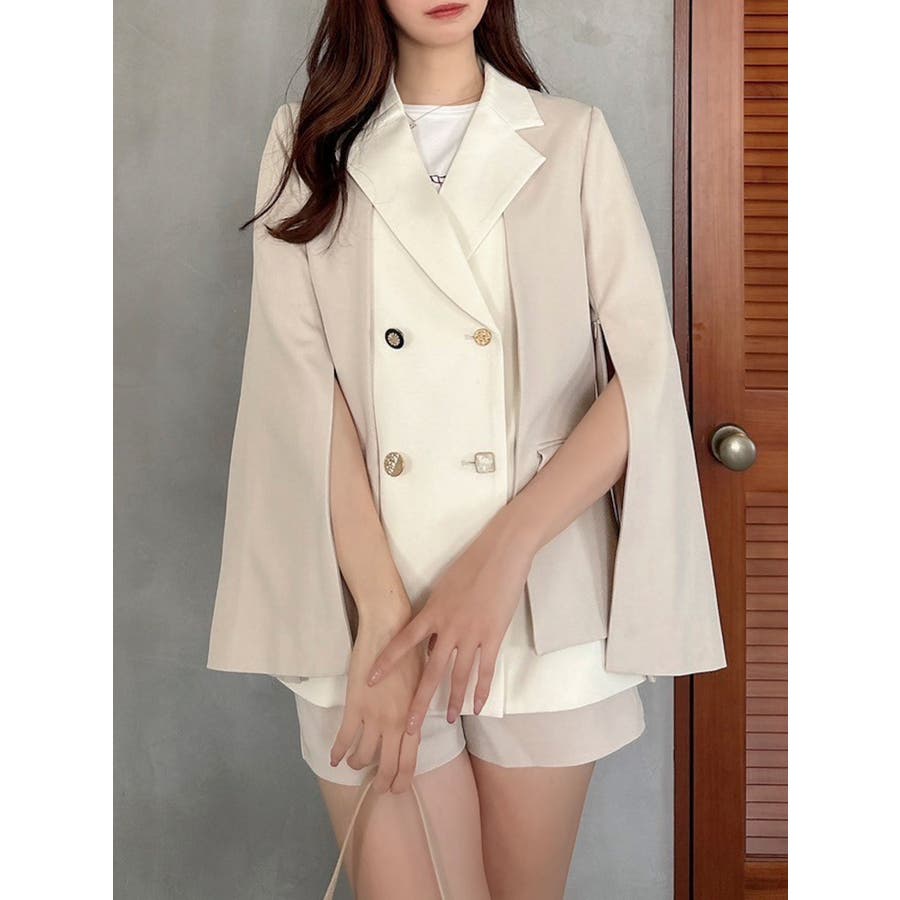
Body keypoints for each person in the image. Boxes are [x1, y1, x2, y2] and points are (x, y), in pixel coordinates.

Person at [206, 1, 727, 897]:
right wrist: (382, 618)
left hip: (539, 599)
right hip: (369, 601)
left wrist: (501, 559)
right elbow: (300, 396)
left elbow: (644, 379)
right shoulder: (308, 144)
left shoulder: (570, 138)